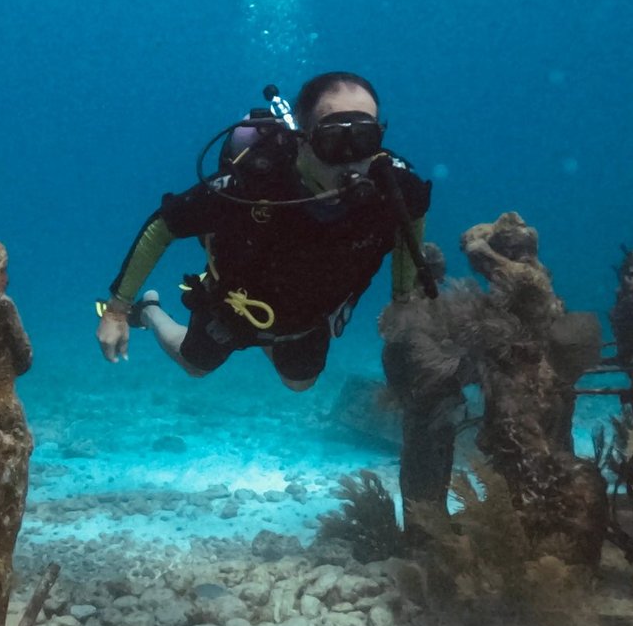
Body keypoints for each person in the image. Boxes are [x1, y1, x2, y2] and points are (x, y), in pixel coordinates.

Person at [96, 72, 433, 391]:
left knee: (299, 383)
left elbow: (411, 220)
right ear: (302, 140)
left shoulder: (394, 188)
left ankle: (270, 339)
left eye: (364, 138)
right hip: (234, 304)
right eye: (333, 140)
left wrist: (403, 299)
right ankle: (150, 310)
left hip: (305, 313)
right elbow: (163, 226)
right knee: (195, 365)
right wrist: (116, 310)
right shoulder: (252, 183)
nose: (350, 159)